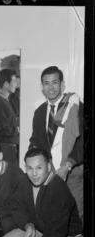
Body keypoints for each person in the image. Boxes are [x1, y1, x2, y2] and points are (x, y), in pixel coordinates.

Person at [1, 148, 83, 237]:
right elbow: (17, 207)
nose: (34, 173)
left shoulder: (59, 188)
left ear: (49, 166)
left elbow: (56, 232)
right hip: (44, 234)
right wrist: (28, 225)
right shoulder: (25, 182)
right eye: (29, 168)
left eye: (39, 168)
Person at [29, 66, 84, 223]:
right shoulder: (39, 112)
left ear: (62, 84)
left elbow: (83, 143)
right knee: (54, 217)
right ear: (42, 87)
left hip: (72, 172)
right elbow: (36, 140)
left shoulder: (76, 107)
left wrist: (67, 165)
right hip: (50, 174)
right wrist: (32, 154)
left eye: (54, 82)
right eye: (46, 83)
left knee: (75, 219)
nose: (50, 87)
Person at [0, 68, 19, 165]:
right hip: (5, 147)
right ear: (5, 83)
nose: (16, 84)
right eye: (14, 81)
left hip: (10, 146)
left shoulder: (5, 101)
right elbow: (3, 128)